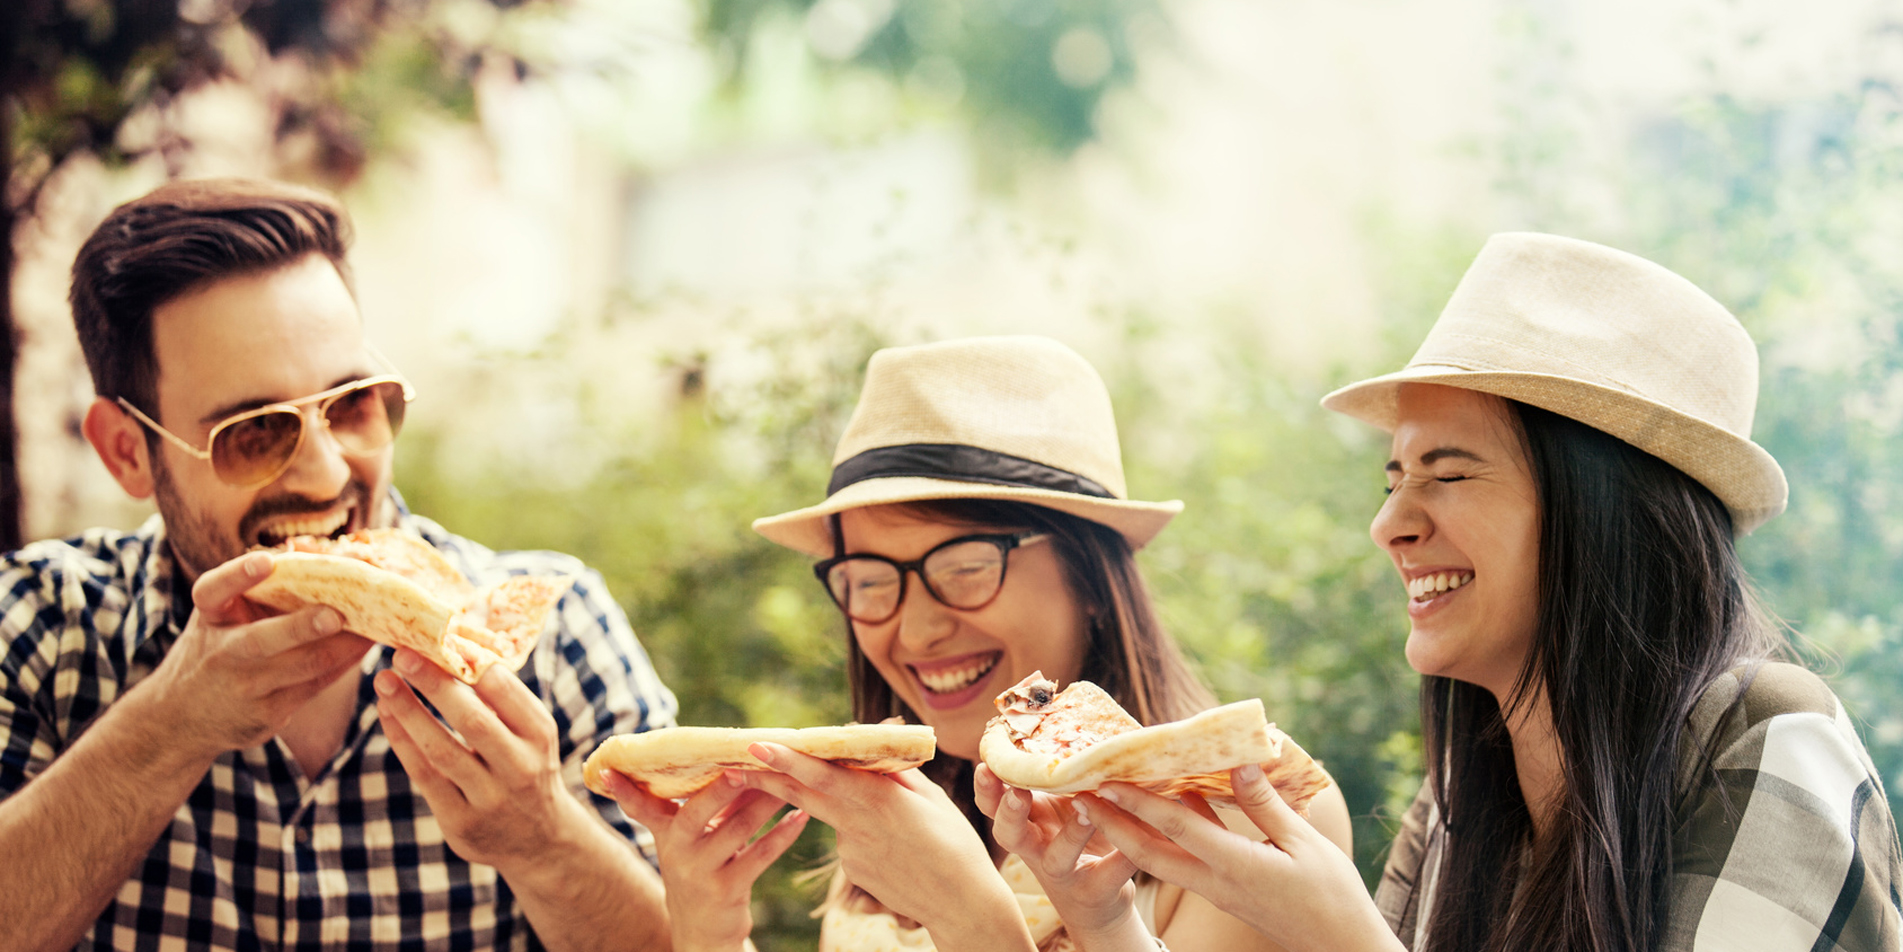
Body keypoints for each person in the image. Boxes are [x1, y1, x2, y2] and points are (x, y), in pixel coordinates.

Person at [1029, 233, 1903, 952]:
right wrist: (1104, 919)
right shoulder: (1467, 787)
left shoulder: (1765, 739)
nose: (1391, 527)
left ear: (1606, 514)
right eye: (1394, 479)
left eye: (1447, 473)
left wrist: (1344, 940)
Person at [0, 177, 679, 951]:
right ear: (127, 450)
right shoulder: (38, 628)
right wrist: (167, 728)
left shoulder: (552, 631)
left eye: (354, 403)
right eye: (254, 433)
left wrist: (544, 840)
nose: (326, 476)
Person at [598, 335, 1354, 952]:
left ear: (1090, 578)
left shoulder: (1257, 827)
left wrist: (969, 921)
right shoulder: (904, 809)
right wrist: (710, 926)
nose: (916, 628)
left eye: (963, 568)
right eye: (869, 578)